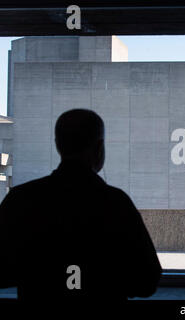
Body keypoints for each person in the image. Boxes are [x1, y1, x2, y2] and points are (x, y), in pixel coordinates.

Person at [0, 109, 161, 304]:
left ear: (58, 145)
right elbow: (147, 281)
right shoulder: (116, 203)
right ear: (99, 148)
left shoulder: (21, 199)